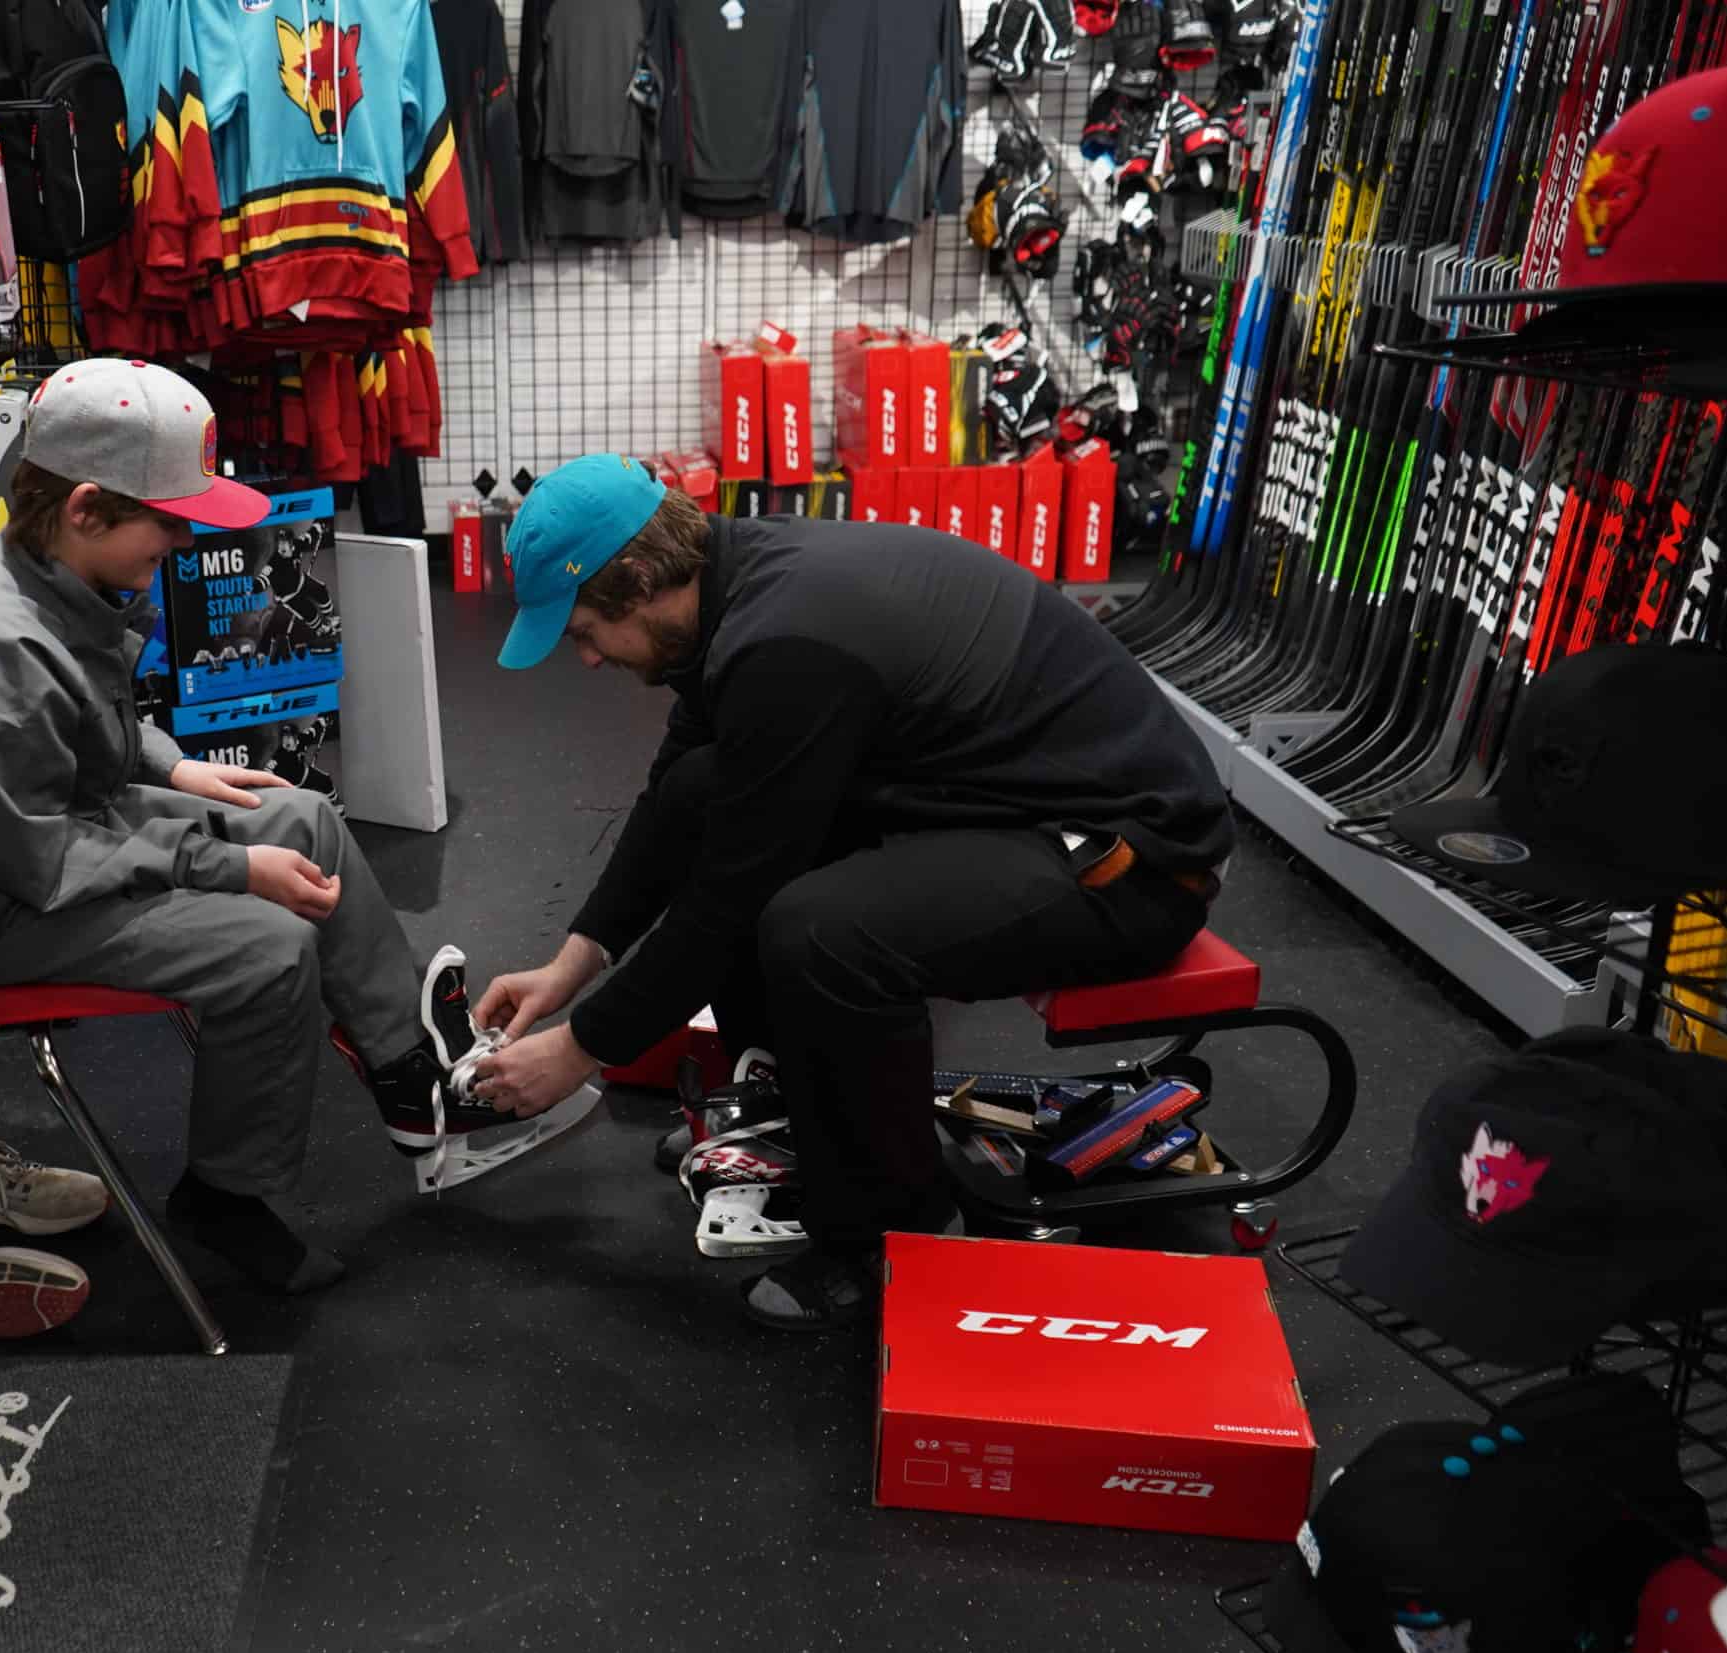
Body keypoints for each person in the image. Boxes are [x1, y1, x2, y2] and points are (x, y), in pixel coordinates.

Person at [466, 454, 1234, 1330]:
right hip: (1007, 801)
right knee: (708, 795)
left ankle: (886, 1236)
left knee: (823, 934)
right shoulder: (729, 585)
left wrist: (581, 1048)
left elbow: (727, 899)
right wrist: (572, 965)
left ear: (639, 579)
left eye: (586, 630)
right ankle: (793, 1113)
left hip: (1132, 859)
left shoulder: (788, 643)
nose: (588, 656)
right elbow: (676, 796)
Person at [0, 359, 520, 1294]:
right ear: (85, 509)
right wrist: (226, 870)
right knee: (266, 948)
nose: (187, 538)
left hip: (20, 836)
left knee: (302, 815)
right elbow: (40, 858)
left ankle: (409, 1074)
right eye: (169, 519)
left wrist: (172, 765)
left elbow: (77, 728)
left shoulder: (51, 576)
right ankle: (225, 1195)